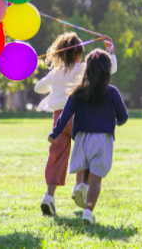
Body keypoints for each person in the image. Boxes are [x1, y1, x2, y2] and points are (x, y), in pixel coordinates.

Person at [35, 33, 117, 216]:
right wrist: (110, 50)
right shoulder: (83, 68)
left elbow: (38, 88)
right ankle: (80, 186)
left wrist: (55, 83)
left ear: (60, 53)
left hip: (59, 119)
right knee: (86, 152)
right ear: (80, 54)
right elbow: (110, 69)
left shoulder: (55, 72)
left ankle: (49, 196)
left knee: (56, 157)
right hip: (79, 117)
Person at [48, 49, 128, 225]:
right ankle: (87, 212)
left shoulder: (78, 92)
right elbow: (124, 116)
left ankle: (82, 186)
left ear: (87, 69)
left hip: (82, 139)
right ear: (107, 71)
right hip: (103, 139)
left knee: (86, 167)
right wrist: (115, 122)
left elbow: (65, 115)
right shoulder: (112, 92)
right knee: (96, 179)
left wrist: (54, 133)